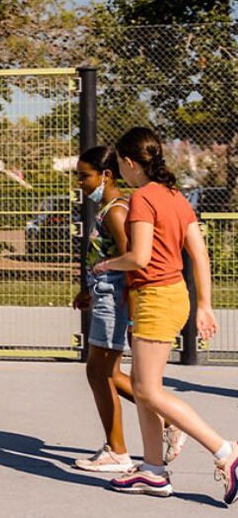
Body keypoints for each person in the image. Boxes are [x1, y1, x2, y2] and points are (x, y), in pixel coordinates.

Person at [92, 126, 236, 501]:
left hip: (155, 297)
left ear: (127, 162)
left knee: (147, 389)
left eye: (119, 165)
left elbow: (138, 257)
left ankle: (225, 451)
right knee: (143, 386)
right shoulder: (176, 196)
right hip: (175, 295)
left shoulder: (141, 198)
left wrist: (107, 265)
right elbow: (199, 254)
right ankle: (153, 471)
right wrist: (204, 304)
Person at [70, 146, 188, 472]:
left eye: (85, 176)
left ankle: (123, 447)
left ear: (106, 175)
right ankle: (145, 432)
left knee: (101, 372)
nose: (80, 182)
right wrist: (88, 292)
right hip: (106, 299)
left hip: (118, 305)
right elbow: (109, 264)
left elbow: (134, 264)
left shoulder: (117, 212)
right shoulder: (109, 209)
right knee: (104, 373)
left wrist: (134, 317)